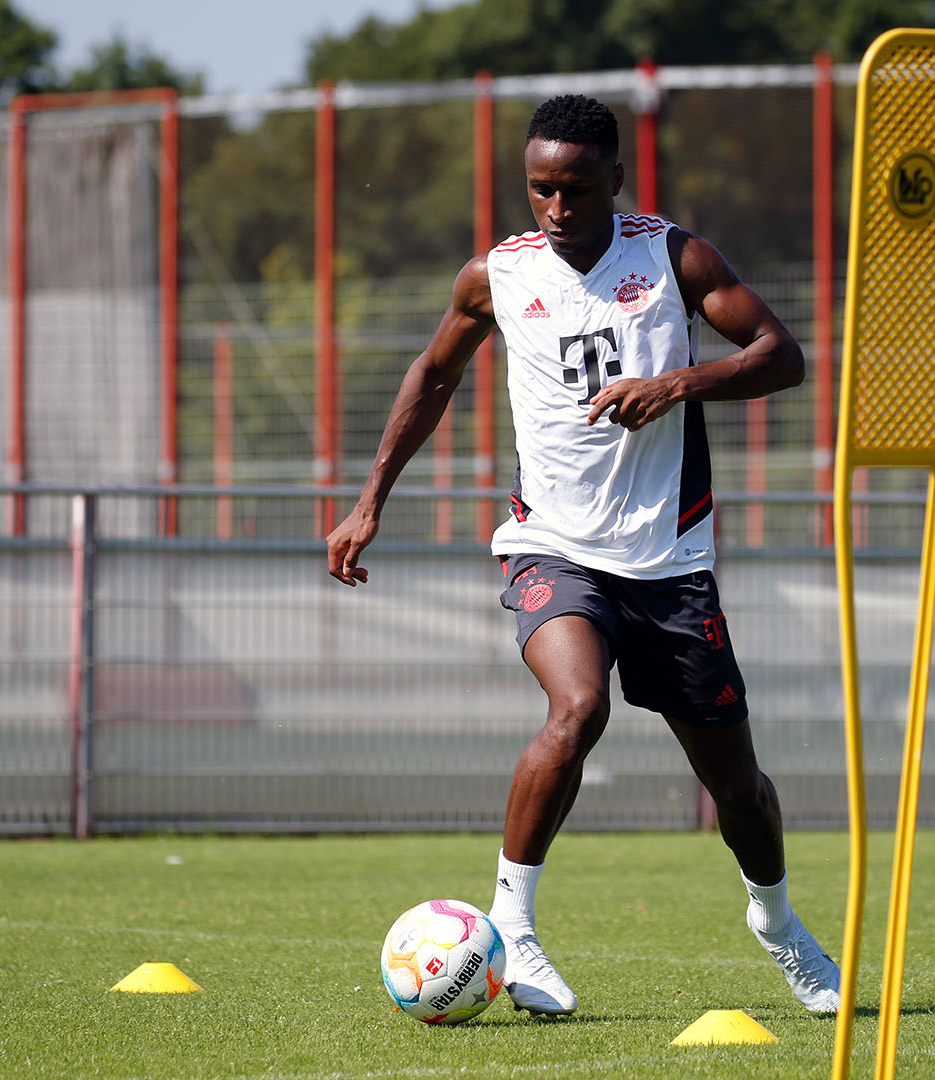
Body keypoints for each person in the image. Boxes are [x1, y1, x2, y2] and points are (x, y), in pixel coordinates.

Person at [325, 94, 840, 1018]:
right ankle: (512, 931)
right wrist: (368, 504)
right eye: (539, 190)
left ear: (616, 180)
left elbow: (781, 355)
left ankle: (775, 919)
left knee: (738, 786)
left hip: (670, 561)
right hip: (551, 546)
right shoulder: (495, 275)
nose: (556, 208)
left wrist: (680, 382)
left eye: (575, 188)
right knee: (578, 705)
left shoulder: (675, 258)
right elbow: (434, 374)